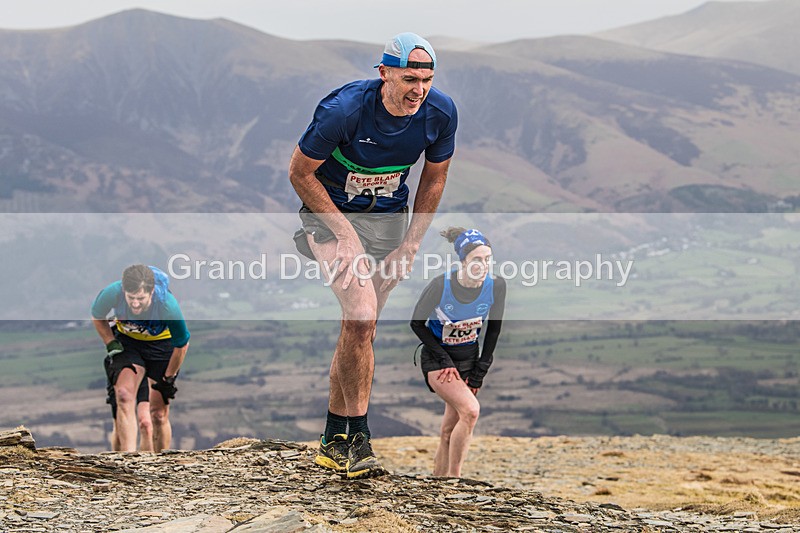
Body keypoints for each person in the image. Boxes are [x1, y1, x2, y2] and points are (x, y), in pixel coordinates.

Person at [289, 32, 458, 478]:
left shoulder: (440, 113)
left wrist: (412, 243)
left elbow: (434, 179)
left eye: (426, 80)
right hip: (330, 218)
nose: (418, 90)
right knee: (362, 317)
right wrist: (344, 235)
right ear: (384, 73)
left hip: (388, 223)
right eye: (409, 79)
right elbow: (300, 173)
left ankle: (333, 439)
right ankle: (359, 438)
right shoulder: (343, 110)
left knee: (359, 328)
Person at [410, 227, 506, 478]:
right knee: (471, 411)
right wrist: (443, 359)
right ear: (463, 261)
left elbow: (493, 331)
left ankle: (439, 482)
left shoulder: (496, 285)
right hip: (438, 361)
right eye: (477, 259)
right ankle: (455, 480)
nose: (483, 265)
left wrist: (480, 371)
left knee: (448, 429)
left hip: (469, 361)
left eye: (488, 259)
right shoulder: (440, 285)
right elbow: (416, 323)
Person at [91, 265, 190, 452]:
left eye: (141, 299)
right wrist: (111, 343)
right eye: (131, 298)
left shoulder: (168, 306)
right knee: (124, 395)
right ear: (124, 292)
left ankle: (161, 461)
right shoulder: (112, 293)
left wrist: (168, 378)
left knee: (158, 414)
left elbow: (182, 345)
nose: (135, 304)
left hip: (162, 346)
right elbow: (97, 316)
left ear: (151, 292)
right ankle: (128, 458)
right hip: (128, 342)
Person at [104, 336, 153, 452]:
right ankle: (121, 459)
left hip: (149, 359)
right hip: (123, 360)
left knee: (146, 423)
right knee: (119, 423)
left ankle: (148, 461)